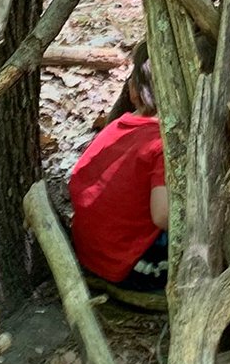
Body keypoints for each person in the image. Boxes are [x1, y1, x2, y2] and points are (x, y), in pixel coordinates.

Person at [68, 44, 169, 307]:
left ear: (133, 91)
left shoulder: (117, 127)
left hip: (90, 253)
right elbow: (162, 215)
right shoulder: (161, 144)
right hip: (127, 267)